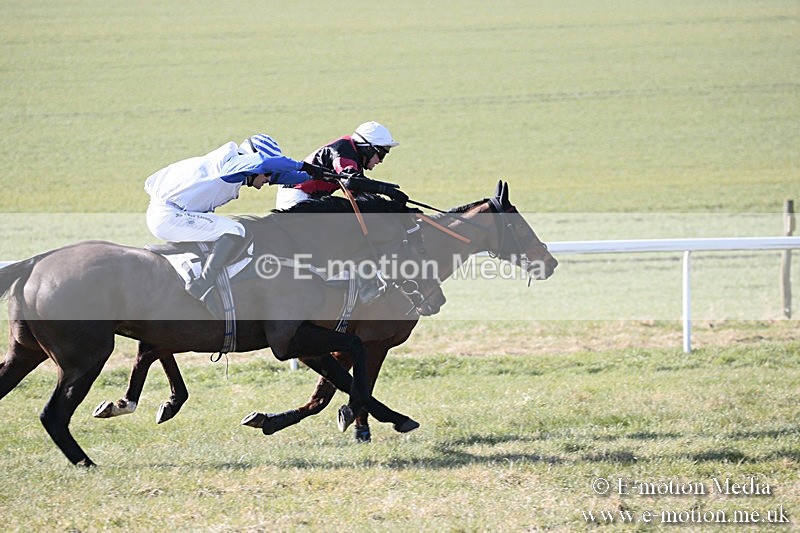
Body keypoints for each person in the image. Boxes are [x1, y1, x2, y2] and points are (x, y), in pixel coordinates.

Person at [145, 133, 326, 315]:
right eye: (267, 175)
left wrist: (325, 176)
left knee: (232, 230)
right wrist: (302, 165)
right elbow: (264, 163)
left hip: (172, 214)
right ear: (251, 164)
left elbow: (280, 175)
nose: (268, 179)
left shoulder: (238, 169)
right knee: (235, 230)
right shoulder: (230, 166)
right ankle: (202, 286)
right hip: (169, 217)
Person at [275, 121, 399, 210]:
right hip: (297, 193)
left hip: (311, 196)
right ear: (368, 148)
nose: (381, 161)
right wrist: (386, 189)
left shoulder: (354, 158)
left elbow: (359, 193)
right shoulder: (343, 151)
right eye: (381, 154)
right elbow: (351, 182)